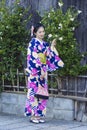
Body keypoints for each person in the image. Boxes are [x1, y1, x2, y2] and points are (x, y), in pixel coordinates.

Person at [24, 23, 64, 123]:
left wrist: (52, 47)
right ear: (35, 33)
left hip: (43, 72)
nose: (42, 34)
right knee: (34, 93)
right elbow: (33, 58)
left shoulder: (44, 44)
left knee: (42, 94)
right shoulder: (33, 43)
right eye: (40, 32)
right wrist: (40, 69)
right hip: (35, 73)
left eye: (43, 31)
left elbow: (48, 55)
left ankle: (40, 115)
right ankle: (33, 116)